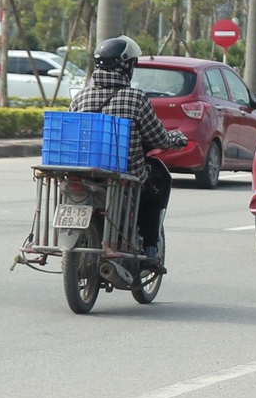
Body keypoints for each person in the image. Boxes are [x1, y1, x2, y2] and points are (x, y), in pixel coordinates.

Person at [71, 36, 187, 258]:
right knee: (152, 192)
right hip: (124, 175)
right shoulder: (136, 99)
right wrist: (176, 139)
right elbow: (159, 139)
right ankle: (151, 248)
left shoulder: (80, 96)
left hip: (82, 172)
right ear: (126, 66)